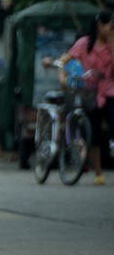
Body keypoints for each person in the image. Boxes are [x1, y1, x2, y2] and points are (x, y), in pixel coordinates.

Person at [47, 11, 114, 185]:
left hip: (110, 91)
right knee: (95, 134)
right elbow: (64, 60)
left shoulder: (111, 44)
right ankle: (98, 173)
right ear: (100, 25)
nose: (111, 30)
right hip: (90, 93)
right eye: (110, 26)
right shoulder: (84, 43)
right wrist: (59, 69)